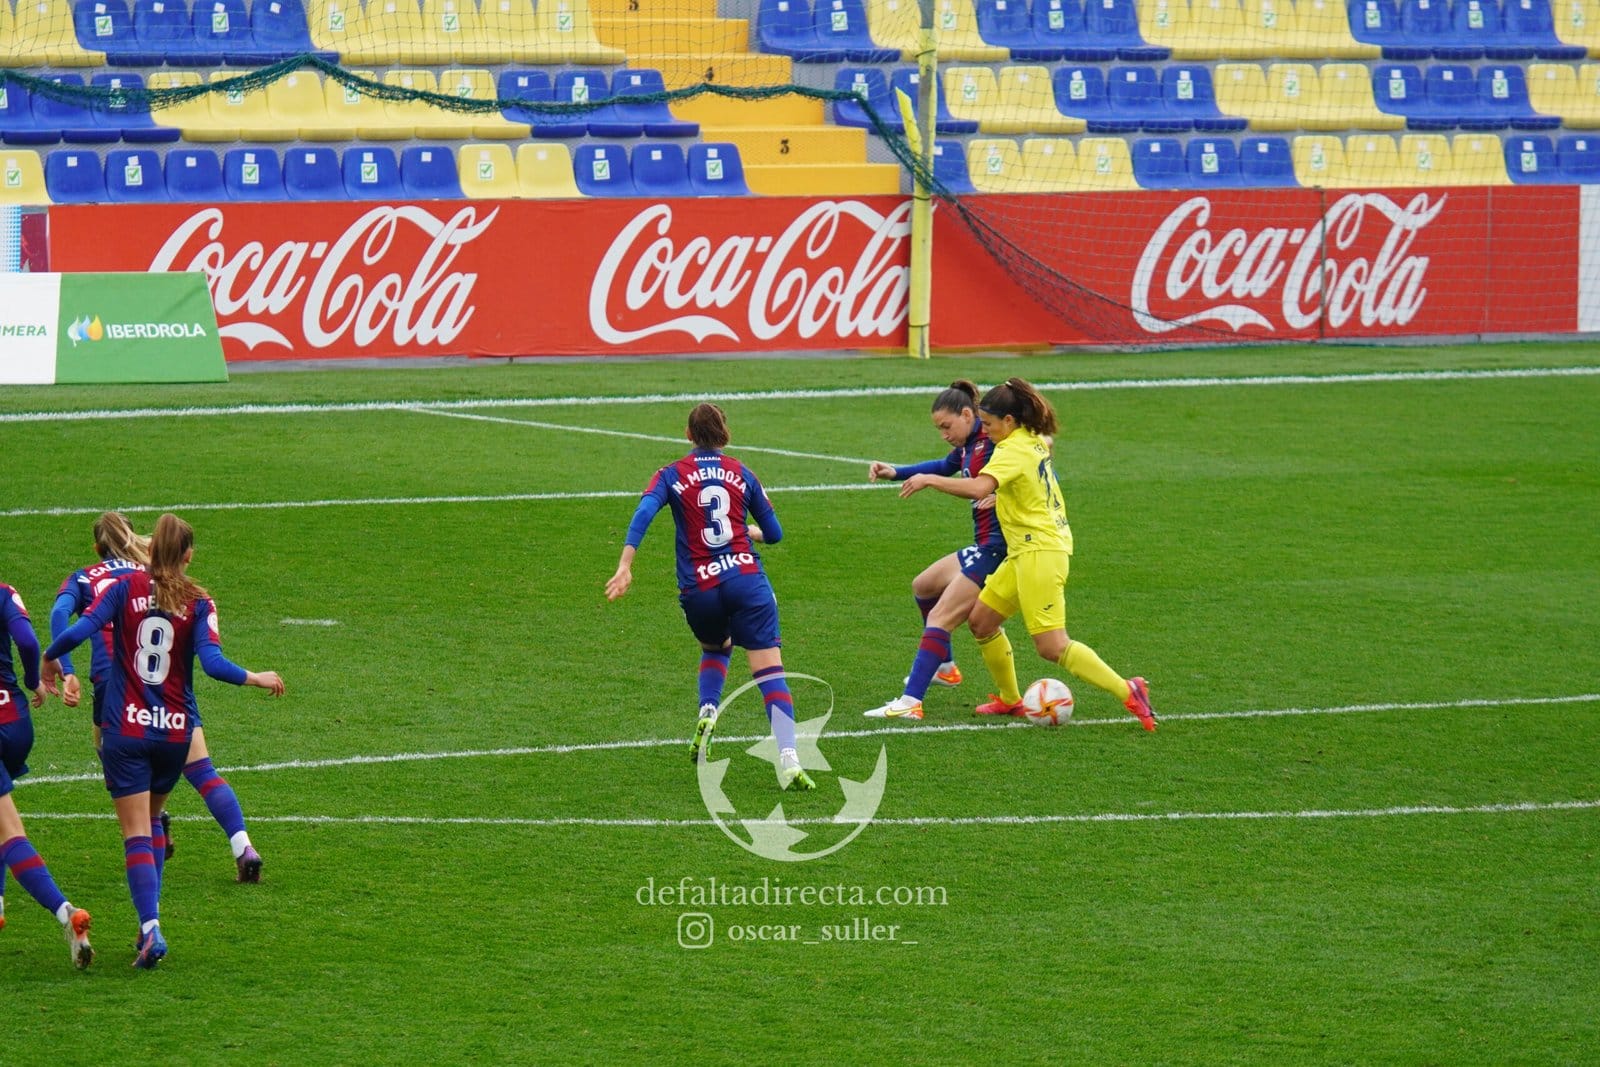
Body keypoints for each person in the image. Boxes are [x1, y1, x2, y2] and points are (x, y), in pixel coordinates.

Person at [44, 513, 284, 969]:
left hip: (126, 727)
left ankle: (151, 927)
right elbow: (212, 664)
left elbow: (77, 629)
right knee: (156, 820)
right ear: (189, 555)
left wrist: (53, 661)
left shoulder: (122, 589)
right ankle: (158, 917)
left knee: (139, 832)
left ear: (150, 550)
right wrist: (256, 677)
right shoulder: (200, 601)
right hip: (175, 731)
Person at [897, 378, 1158, 730]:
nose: (984, 431)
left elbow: (976, 487)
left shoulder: (1010, 450)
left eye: (987, 424)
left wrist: (930, 479)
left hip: (1040, 552)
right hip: (1024, 551)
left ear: (1008, 421)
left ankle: (1128, 689)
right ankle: (1009, 700)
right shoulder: (1031, 439)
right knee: (982, 621)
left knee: (1051, 646)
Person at [605, 403, 813, 791]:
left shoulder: (670, 474)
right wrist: (751, 533)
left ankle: (708, 709)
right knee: (770, 673)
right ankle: (789, 758)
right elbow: (776, 533)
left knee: (716, 647)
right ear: (724, 434)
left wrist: (625, 565)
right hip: (747, 581)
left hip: (699, 589)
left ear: (688, 434)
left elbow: (644, 512)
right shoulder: (742, 473)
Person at [862, 380, 1007, 721]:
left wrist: (1003, 495)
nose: (943, 433)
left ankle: (911, 702)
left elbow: (1039, 472)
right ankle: (945, 668)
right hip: (984, 545)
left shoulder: (997, 444)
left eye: (946, 426)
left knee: (942, 617)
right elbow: (943, 467)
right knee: (924, 586)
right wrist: (894, 472)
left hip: (1000, 550)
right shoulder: (970, 446)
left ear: (968, 414)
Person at [0, 576, 94, 968]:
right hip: (15, 722)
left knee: (11, 831)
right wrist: (32, 681)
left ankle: (65, 912)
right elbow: (26, 640)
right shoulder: (3, 592)